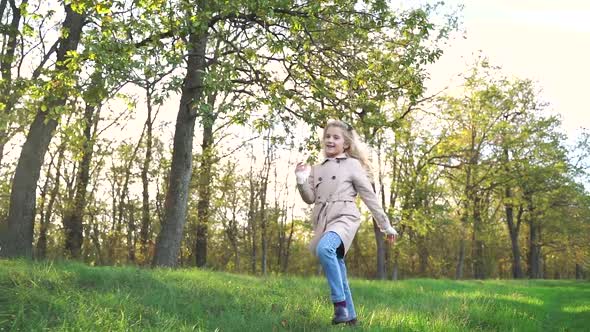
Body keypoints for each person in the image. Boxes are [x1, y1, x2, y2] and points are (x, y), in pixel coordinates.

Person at [295, 120, 398, 326]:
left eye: (336, 137)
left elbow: (369, 196)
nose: (330, 140)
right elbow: (310, 198)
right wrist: (301, 180)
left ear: (346, 144)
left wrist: (385, 225)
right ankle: (352, 320)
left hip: (344, 217)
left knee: (325, 249)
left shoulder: (352, 165)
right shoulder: (316, 168)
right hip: (324, 220)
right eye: (327, 136)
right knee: (339, 270)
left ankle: (339, 305)